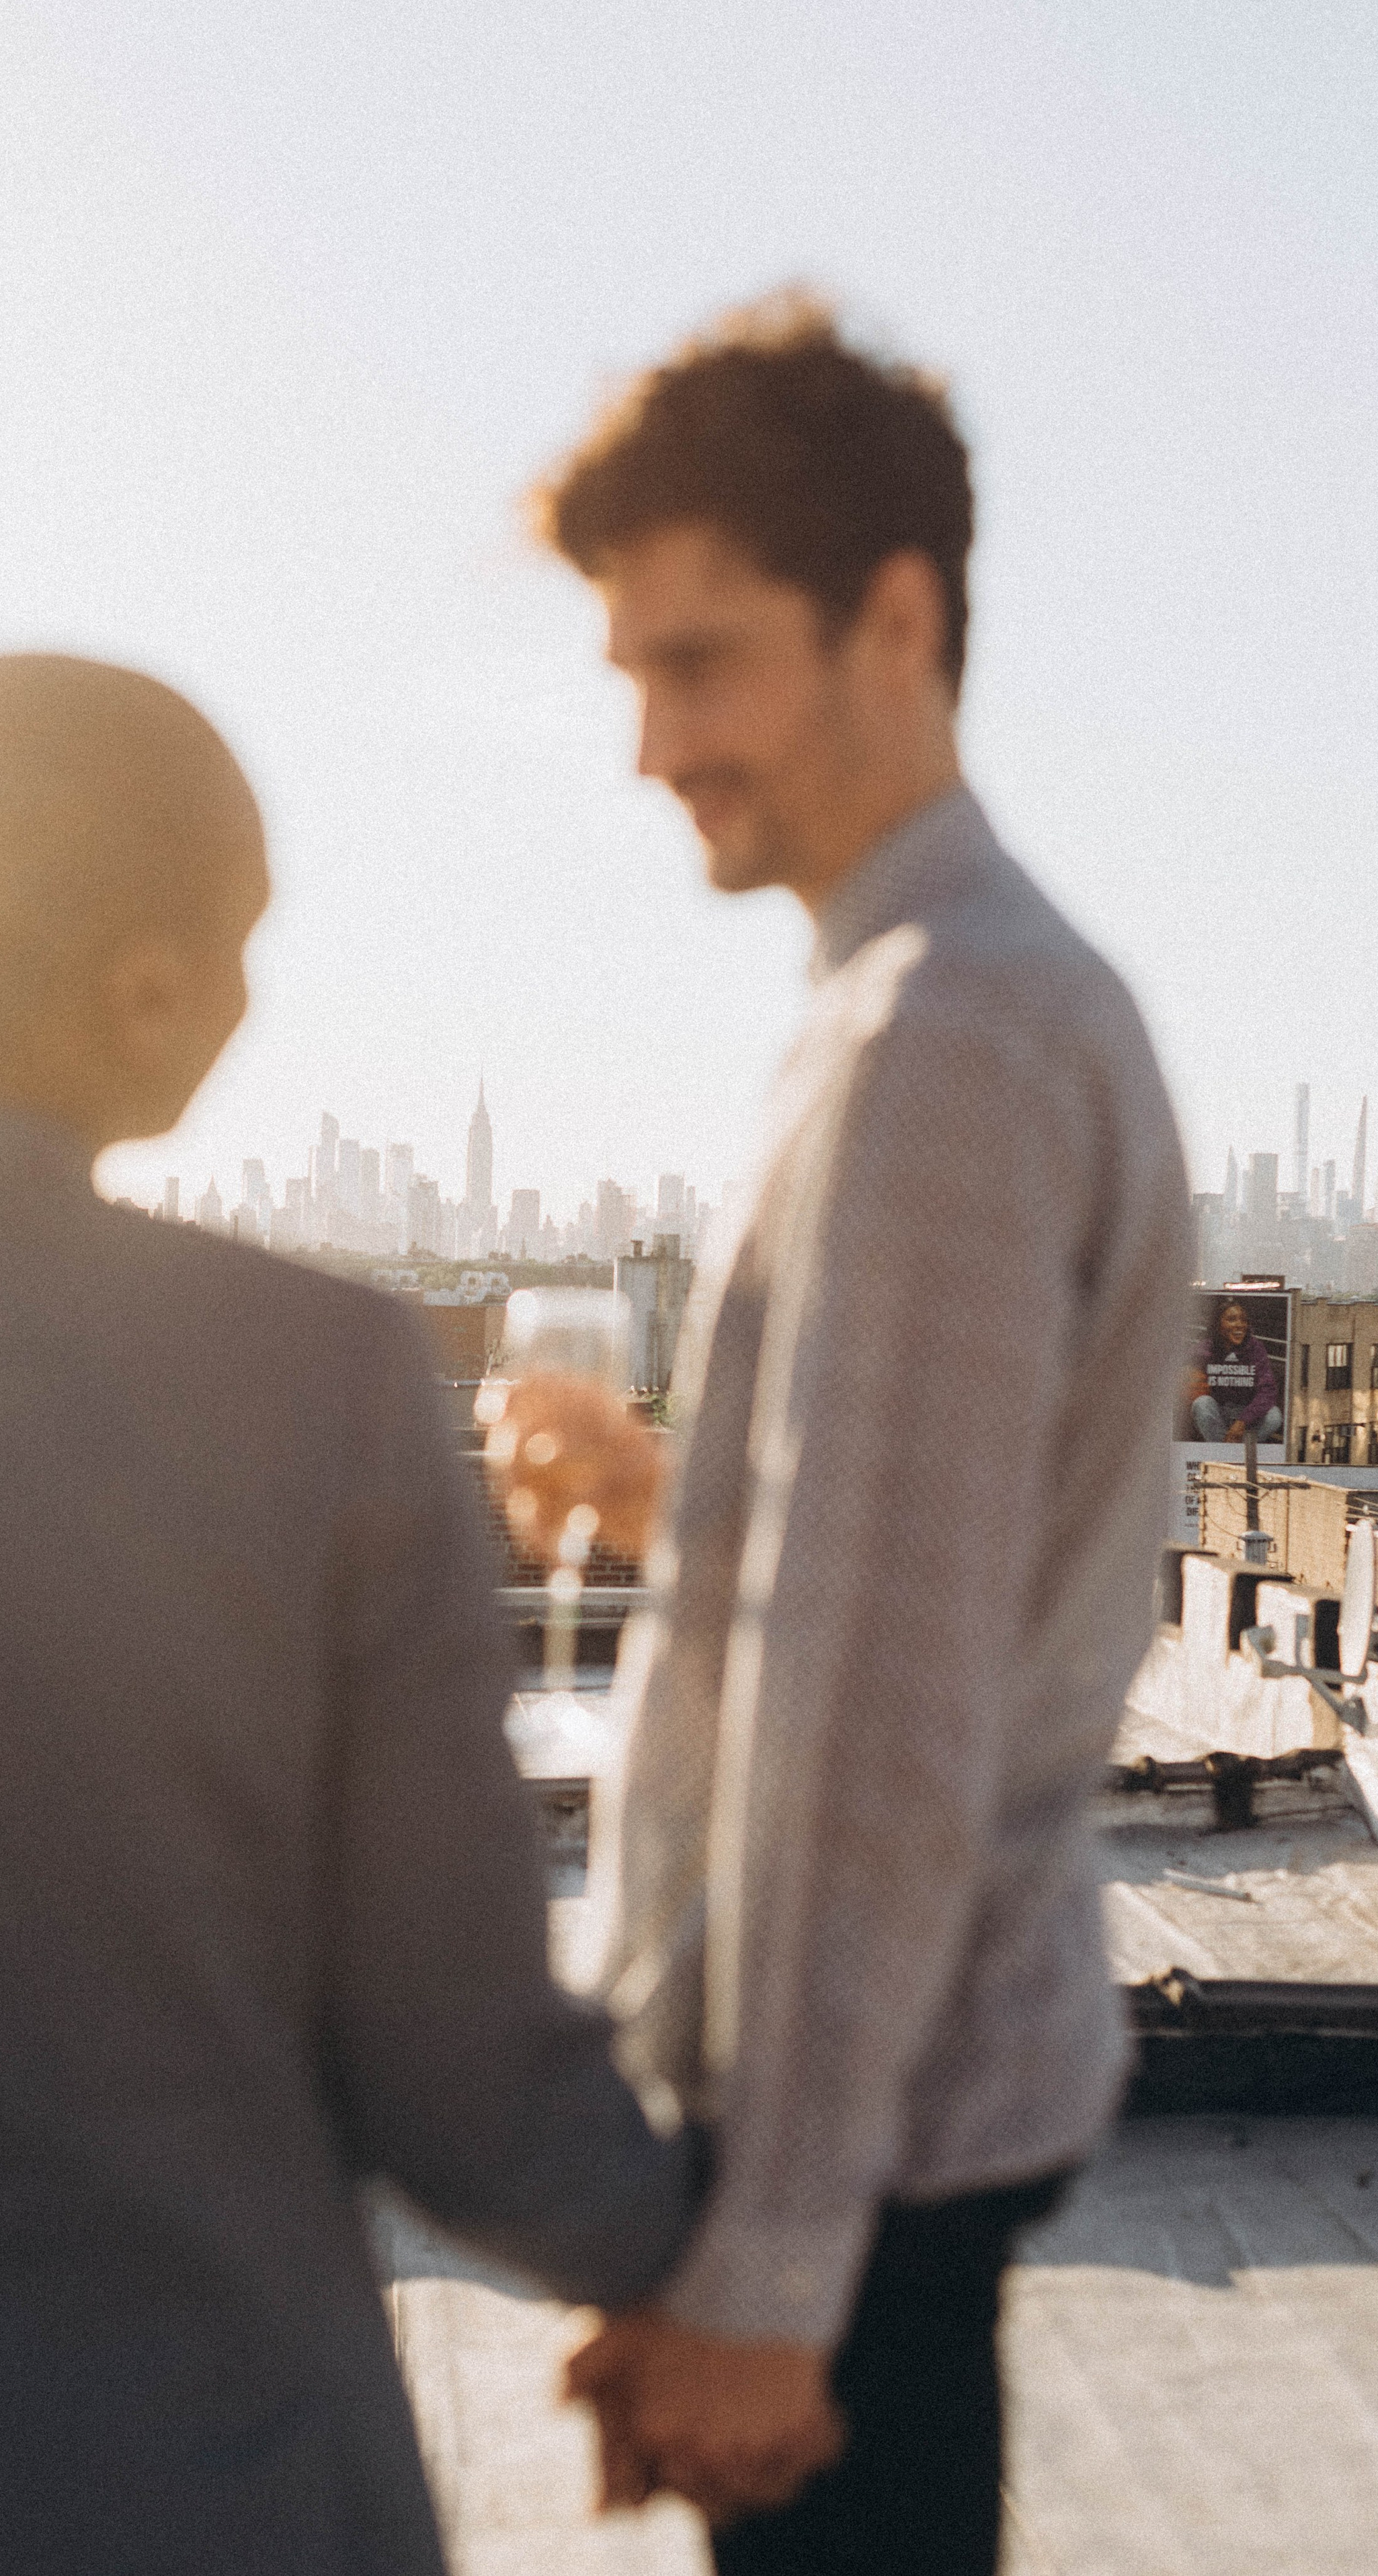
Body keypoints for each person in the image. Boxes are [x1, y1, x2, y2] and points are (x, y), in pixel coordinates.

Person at [0, 654, 700, 2575]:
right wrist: (740, 2273)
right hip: (208, 2488)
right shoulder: (310, 1389)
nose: (249, 1003)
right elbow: (460, 2063)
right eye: (242, 945)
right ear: (145, 972)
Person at [493, 298, 1192, 2573]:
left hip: (865, 2162)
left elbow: (886, 1712)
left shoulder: (943, 1049)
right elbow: (907, 1579)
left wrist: (771, 2268)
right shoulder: (947, 1005)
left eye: (695, 664)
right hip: (902, 2128)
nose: (647, 745)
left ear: (896, 620)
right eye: (630, 675)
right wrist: (682, 1509)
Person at [1188, 1297, 1283, 1443]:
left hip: (1248, 1415)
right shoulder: (1204, 1350)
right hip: (1219, 1412)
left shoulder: (1255, 1349)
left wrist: (1242, 1422)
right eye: (1232, 1320)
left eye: (1243, 1320)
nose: (1240, 1325)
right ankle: (1229, 1449)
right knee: (1201, 1403)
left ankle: (1233, 1449)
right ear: (1218, 1324)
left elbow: (1268, 1391)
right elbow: (1186, 1377)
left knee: (1274, 1415)